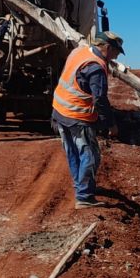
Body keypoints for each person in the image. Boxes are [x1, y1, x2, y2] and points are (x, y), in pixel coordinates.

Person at [51, 31, 124, 209]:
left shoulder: (79, 52)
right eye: (116, 52)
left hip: (60, 111)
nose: (115, 56)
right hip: (78, 116)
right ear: (107, 47)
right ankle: (84, 196)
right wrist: (111, 124)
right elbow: (100, 100)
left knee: (73, 152)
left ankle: (80, 186)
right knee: (90, 155)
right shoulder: (96, 67)